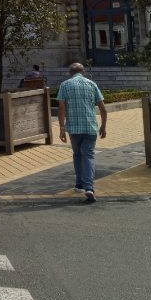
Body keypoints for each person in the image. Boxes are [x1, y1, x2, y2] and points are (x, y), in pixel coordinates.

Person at [57, 61, 107, 203]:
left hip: (73, 128)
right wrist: (103, 126)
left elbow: (61, 108)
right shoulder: (92, 84)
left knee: (77, 155)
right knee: (88, 155)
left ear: (70, 73)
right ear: (83, 72)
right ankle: (89, 187)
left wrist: (62, 128)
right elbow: (103, 108)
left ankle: (79, 184)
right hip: (90, 127)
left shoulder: (65, 85)